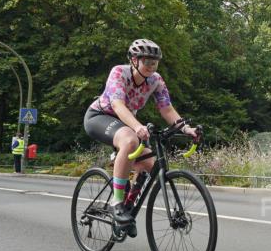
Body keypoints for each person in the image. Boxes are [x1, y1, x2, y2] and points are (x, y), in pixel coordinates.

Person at [83, 39, 199, 236]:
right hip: (100, 117)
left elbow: (167, 108)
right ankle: (117, 203)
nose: (151, 66)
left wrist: (186, 129)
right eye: (147, 61)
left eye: (155, 63)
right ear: (134, 60)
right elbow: (118, 105)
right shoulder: (119, 72)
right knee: (130, 140)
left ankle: (128, 209)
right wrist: (137, 126)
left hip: (127, 123)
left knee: (150, 164)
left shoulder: (156, 80)